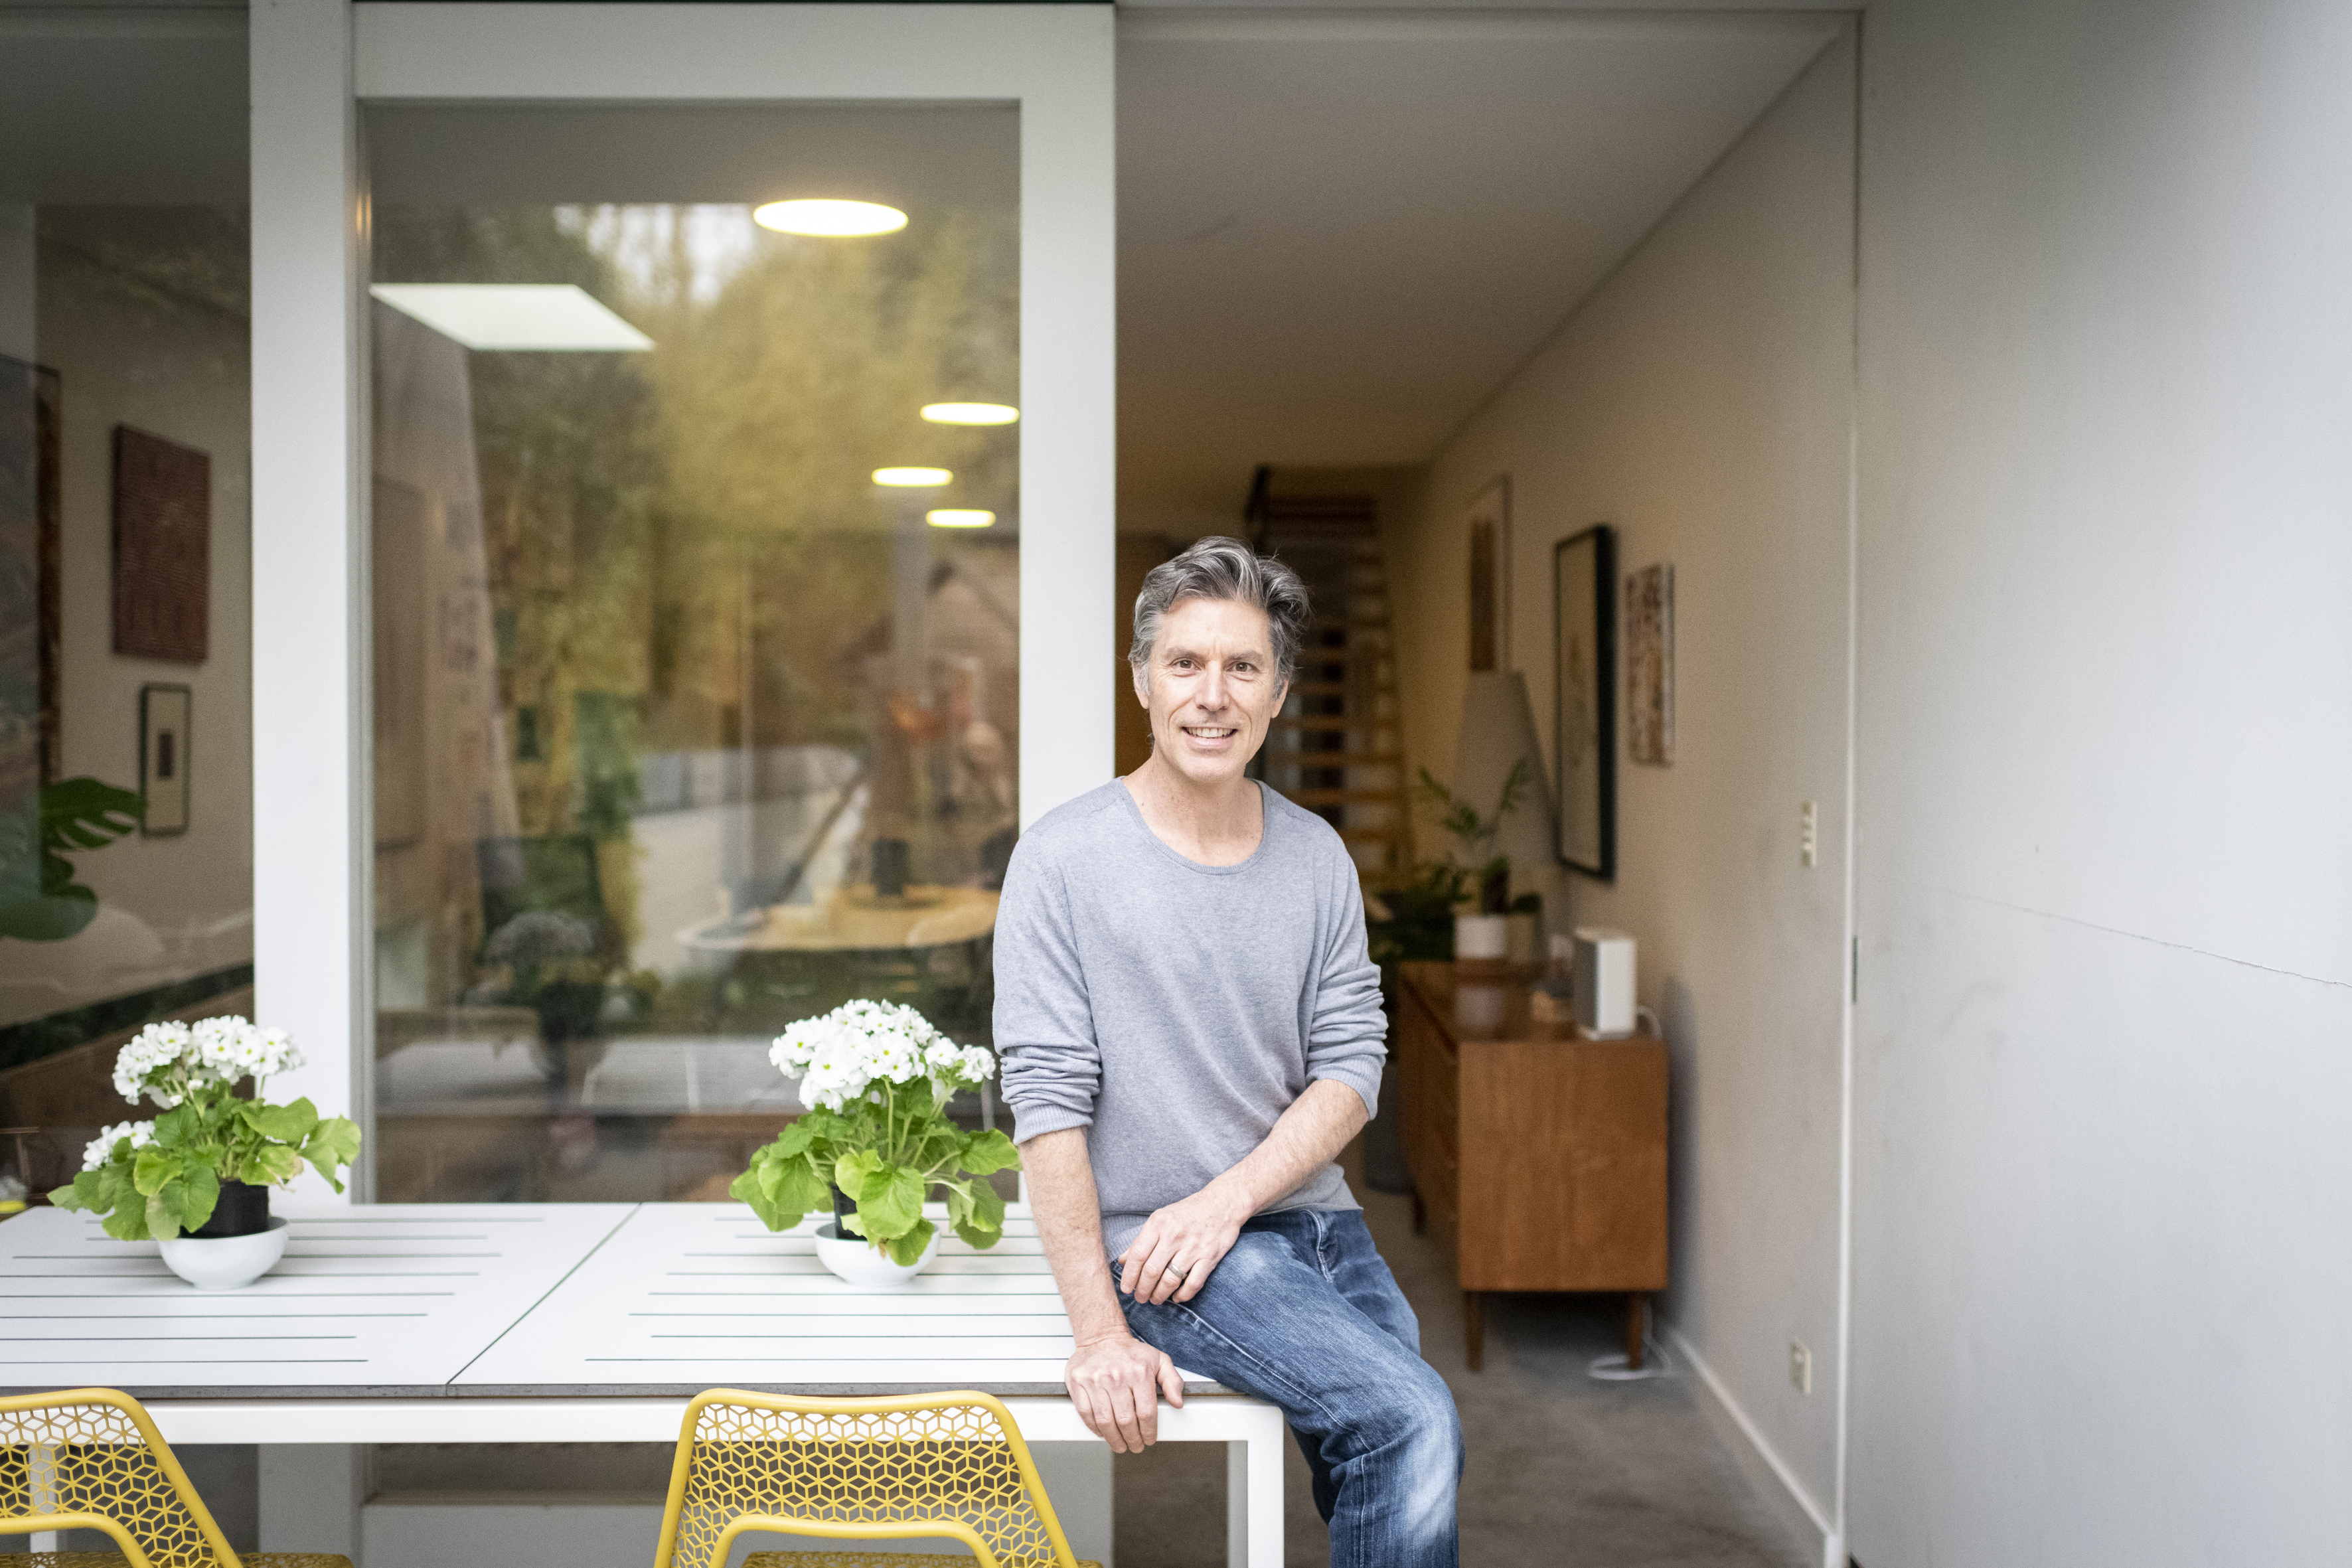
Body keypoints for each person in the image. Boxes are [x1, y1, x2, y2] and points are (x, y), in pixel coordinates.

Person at [995, 536, 1464, 1567]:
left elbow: (1353, 1063)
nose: (1213, 695)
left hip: (1307, 1220)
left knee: (1384, 1452)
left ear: (1280, 691)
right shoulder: (1063, 860)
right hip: (1167, 1255)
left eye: (1242, 666)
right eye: (1186, 663)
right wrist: (1100, 1332)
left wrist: (1231, 1198)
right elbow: (1046, 1101)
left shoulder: (1318, 855)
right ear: (1142, 680)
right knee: (1410, 1419)